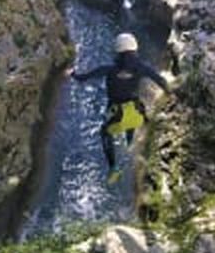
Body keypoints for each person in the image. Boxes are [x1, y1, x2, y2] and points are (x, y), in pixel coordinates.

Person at [68, 32, 170, 181]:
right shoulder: (142, 68)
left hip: (117, 115)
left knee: (104, 133)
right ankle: (130, 144)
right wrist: (171, 93)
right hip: (137, 114)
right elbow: (161, 81)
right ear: (135, 49)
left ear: (117, 50)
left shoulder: (108, 69)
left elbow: (83, 78)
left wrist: (72, 73)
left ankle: (113, 168)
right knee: (132, 116)